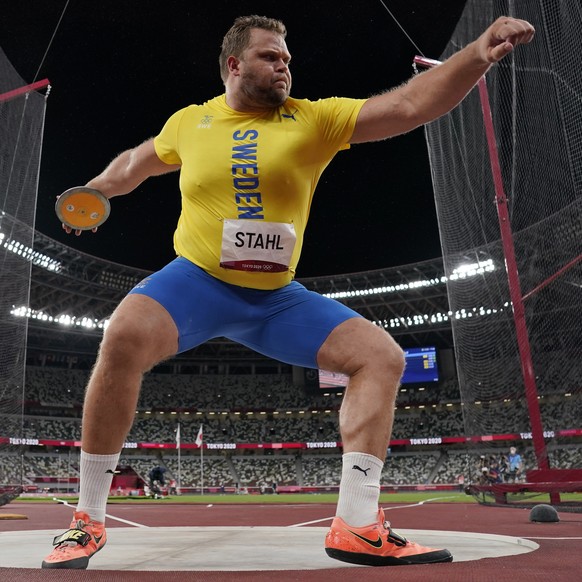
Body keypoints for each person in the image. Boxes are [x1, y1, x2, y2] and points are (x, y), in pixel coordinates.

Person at [41, 14, 535, 570]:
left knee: (381, 358)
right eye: (271, 57)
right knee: (123, 334)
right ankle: (86, 520)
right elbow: (136, 162)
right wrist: (97, 190)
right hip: (196, 282)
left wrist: (475, 54)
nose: (285, 67)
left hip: (275, 298)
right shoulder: (191, 122)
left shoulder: (313, 118)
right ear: (233, 64)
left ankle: (358, 525)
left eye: (287, 59)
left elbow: (409, 106)